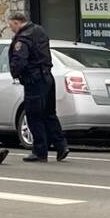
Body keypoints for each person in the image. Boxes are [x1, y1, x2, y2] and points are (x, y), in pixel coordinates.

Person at [8, 14, 69, 163]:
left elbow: (20, 60)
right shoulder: (39, 31)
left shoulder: (23, 38)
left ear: (17, 23)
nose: (11, 29)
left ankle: (40, 151)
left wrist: (15, 73)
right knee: (49, 114)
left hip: (34, 80)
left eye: (11, 26)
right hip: (48, 78)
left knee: (34, 116)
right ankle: (61, 146)